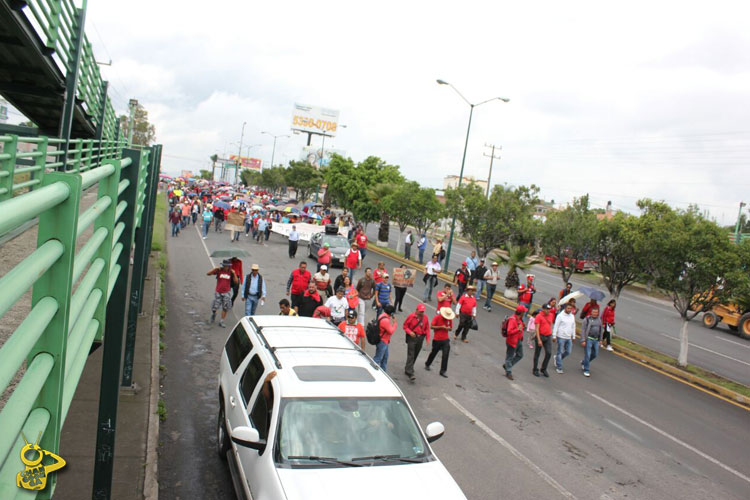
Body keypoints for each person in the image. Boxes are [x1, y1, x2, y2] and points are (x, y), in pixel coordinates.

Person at [207, 259, 238, 328]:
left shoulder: (231, 273)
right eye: (225, 266)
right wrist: (214, 269)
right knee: (215, 306)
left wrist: (234, 273)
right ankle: (214, 314)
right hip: (218, 292)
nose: (226, 267)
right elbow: (208, 273)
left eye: (228, 266)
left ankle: (222, 321)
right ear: (223, 266)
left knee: (225, 307)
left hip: (226, 292)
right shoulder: (219, 271)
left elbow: (236, 282)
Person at [403, 304, 430, 381]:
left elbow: (427, 328)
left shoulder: (425, 318)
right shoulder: (411, 316)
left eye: (423, 311)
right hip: (412, 337)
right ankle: (410, 372)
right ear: (416, 310)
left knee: (415, 354)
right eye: (420, 311)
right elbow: (405, 326)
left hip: (420, 338)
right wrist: (409, 332)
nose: (422, 313)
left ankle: (408, 368)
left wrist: (427, 339)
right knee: (411, 354)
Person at [426, 307, 454, 377]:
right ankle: (427, 363)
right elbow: (432, 326)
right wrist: (441, 327)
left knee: (445, 354)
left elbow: (450, 328)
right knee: (434, 353)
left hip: (445, 339)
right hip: (437, 339)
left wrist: (448, 328)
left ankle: (443, 371)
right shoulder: (437, 317)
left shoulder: (449, 319)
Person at [553, 303, 577, 374]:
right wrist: (554, 335)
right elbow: (556, 326)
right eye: (568, 308)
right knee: (560, 351)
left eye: (570, 309)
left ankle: (557, 358)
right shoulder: (560, 316)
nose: (569, 310)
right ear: (565, 308)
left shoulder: (572, 316)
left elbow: (573, 326)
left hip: (568, 337)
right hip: (561, 336)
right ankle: (559, 367)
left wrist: (574, 336)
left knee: (568, 352)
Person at [504, 305, 526, 380]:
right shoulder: (513, 320)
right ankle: (508, 372)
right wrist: (518, 330)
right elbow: (509, 331)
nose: (525, 313)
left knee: (520, 355)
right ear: (521, 312)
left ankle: (507, 366)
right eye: (524, 312)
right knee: (509, 357)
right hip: (512, 341)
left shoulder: (519, 319)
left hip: (518, 340)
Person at [372, 304, 397, 371]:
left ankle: (383, 371)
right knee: (378, 358)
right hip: (382, 342)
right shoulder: (385, 320)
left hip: (384, 341)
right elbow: (391, 331)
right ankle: (372, 370)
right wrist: (395, 323)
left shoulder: (382, 315)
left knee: (385, 357)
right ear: (391, 313)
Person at [581, 306, 603, 377]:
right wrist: (583, 340)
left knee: (595, 354)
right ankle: (586, 370)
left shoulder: (599, 320)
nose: (595, 314)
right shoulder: (587, 319)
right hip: (589, 339)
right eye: (594, 312)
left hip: (596, 340)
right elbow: (583, 330)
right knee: (588, 354)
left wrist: (600, 340)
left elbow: (601, 330)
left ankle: (584, 362)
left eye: (596, 312)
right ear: (591, 312)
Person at [533, 304, 554, 377]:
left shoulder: (551, 315)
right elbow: (537, 329)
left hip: (548, 336)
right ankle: (535, 369)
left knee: (549, 353)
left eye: (549, 309)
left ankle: (543, 368)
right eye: (547, 309)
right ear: (543, 309)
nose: (548, 310)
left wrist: (551, 333)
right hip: (541, 336)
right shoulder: (539, 316)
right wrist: (539, 340)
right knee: (537, 354)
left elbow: (551, 324)